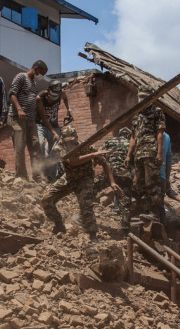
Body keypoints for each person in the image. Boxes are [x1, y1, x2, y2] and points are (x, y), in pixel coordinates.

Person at [41, 125, 121, 242]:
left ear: (76, 137)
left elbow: (105, 163)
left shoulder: (86, 147)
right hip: (69, 178)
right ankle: (58, 223)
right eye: (67, 141)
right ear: (63, 140)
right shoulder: (59, 147)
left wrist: (112, 182)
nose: (70, 144)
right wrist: (92, 155)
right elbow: (72, 162)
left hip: (85, 178)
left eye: (72, 141)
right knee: (46, 197)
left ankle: (92, 234)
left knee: (86, 203)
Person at [125, 86, 166, 223]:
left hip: (150, 151)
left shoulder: (157, 112)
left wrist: (159, 153)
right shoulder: (136, 115)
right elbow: (132, 137)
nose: (141, 99)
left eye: (144, 96)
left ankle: (155, 213)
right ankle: (147, 211)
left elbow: (160, 134)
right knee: (140, 184)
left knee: (152, 183)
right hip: (138, 154)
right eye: (140, 96)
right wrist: (129, 155)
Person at [8, 60, 47, 180]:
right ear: (36, 68)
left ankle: (37, 176)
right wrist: (19, 109)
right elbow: (12, 94)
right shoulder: (21, 77)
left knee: (36, 147)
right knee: (19, 147)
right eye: (42, 73)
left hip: (30, 120)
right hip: (17, 117)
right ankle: (21, 176)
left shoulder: (34, 84)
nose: (42, 76)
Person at [94, 127, 133, 235]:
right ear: (128, 136)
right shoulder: (131, 145)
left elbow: (98, 155)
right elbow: (134, 162)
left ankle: (82, 216)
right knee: (124, 201)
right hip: (124, 174)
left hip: (108, 172)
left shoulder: (109, 141)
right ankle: (126, 230)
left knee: (91, 191)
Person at [35, 80, 71, 158]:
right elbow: (44, 119)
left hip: (54, 124)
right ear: (48, 91)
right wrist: (54, 133)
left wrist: (68, 110)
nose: (53, 100)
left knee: (55, 149)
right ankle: (41, 167)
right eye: (52, 97)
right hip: (41, 125)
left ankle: (53, 168)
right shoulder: (40, 98)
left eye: (56, 97)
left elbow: (65, 98)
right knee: (40, 144)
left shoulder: (61, 92)